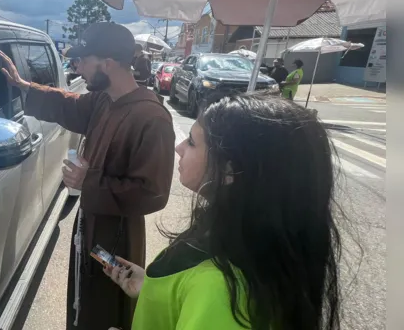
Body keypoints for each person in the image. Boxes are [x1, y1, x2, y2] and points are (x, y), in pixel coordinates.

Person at [104, 92, 343, 330]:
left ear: (230, 171)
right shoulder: (245, 241)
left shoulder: (220, 289)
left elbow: (209, 300)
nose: (179, 147)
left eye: (192, 142)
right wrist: (153, 290)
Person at [0, 22, 175, 329]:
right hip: (89, 225)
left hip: (117, 239)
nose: (77, 67)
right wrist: (25, 87)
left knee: (105, 308)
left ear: (107, 63)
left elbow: (153, 192)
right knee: (83, 298)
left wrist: (88, 182)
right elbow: (69, 104)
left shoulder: (152, 116)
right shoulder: (103, 99)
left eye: (84, 60)